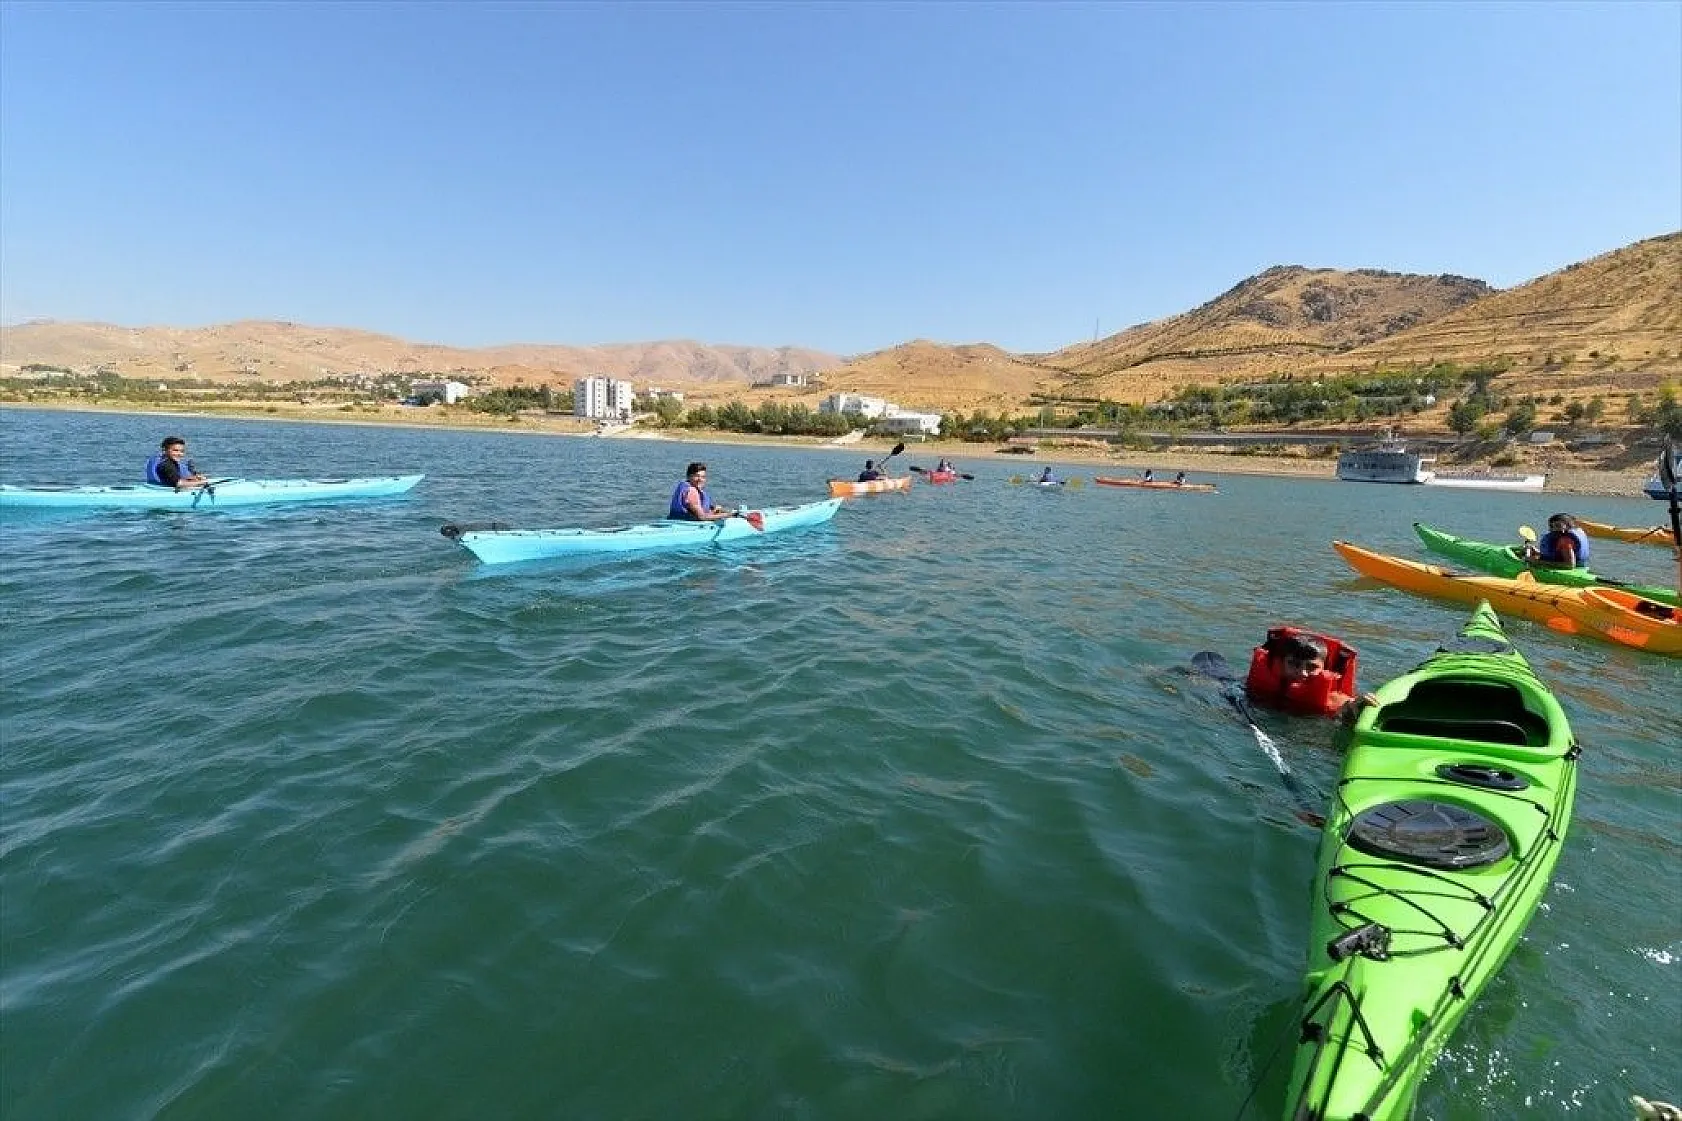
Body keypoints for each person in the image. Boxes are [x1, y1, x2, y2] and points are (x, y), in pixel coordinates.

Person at [1244, 628, 1374, 720]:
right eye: (1294, 664)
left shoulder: (1332, 699)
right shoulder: (1255, 684)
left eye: (1312, 667)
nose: (1303, 672)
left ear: (1324, 668)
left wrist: (1357, 706)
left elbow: (1346, 709)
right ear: (1282, 663)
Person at [668, 462, 735, 521]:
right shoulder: (692, 491)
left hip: (674, 521)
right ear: (688, 477)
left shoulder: (686, 487)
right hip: (689, 527)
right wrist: (727, 515)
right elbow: (702, 517)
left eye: (703, 477)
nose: (700, 479)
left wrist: (727, 512)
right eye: (697, 476)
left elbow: (709, 507)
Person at [1524, 513, 1590, 569]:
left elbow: (1570, 565)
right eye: (1551, 526)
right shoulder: (1563, 538)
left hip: (1569, 571)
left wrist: (1534, 561)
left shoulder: (1565, 541)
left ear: (1568, 527)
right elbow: (1558, 556)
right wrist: (1537, 552)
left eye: (1558, 526)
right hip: (1578, 567)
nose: (1553, 529)